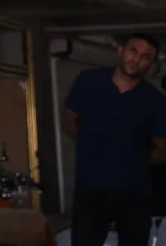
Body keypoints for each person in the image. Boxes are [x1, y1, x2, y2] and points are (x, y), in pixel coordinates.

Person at [63, 33, 166, 246]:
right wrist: (93, 147)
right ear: (121, 51)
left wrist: (131, 161)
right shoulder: (89, 81)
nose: (136, 59)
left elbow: (161, 150)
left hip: (134, 192)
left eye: (145, 57)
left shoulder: (154, 100)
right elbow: (69, 122)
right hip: (91, 187)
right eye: (133, 51)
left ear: (151, 64)